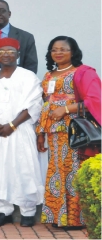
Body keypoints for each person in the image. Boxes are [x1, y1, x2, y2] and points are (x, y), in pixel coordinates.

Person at [0, 38, 44, 227]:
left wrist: (12, 125)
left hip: (20, 131)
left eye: (11, 51)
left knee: (24, 169)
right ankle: (3, 211)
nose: (6, 54)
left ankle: (27, 211)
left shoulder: (28, 76)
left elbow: (34, 103)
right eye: (2, 51)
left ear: (18, 55)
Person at [36, 36, 101, 229]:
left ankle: (75, 219)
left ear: (73, 52)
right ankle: (59, 217)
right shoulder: (49, 76)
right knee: (56, 172)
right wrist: (40, 131)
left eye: (63, 49)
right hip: (53, 132)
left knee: (73, 171)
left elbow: (95, 99)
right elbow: (45, 105)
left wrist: (65, 110)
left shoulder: (83, 73)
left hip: (74, 131)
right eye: (54, 49)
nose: (58, 52)